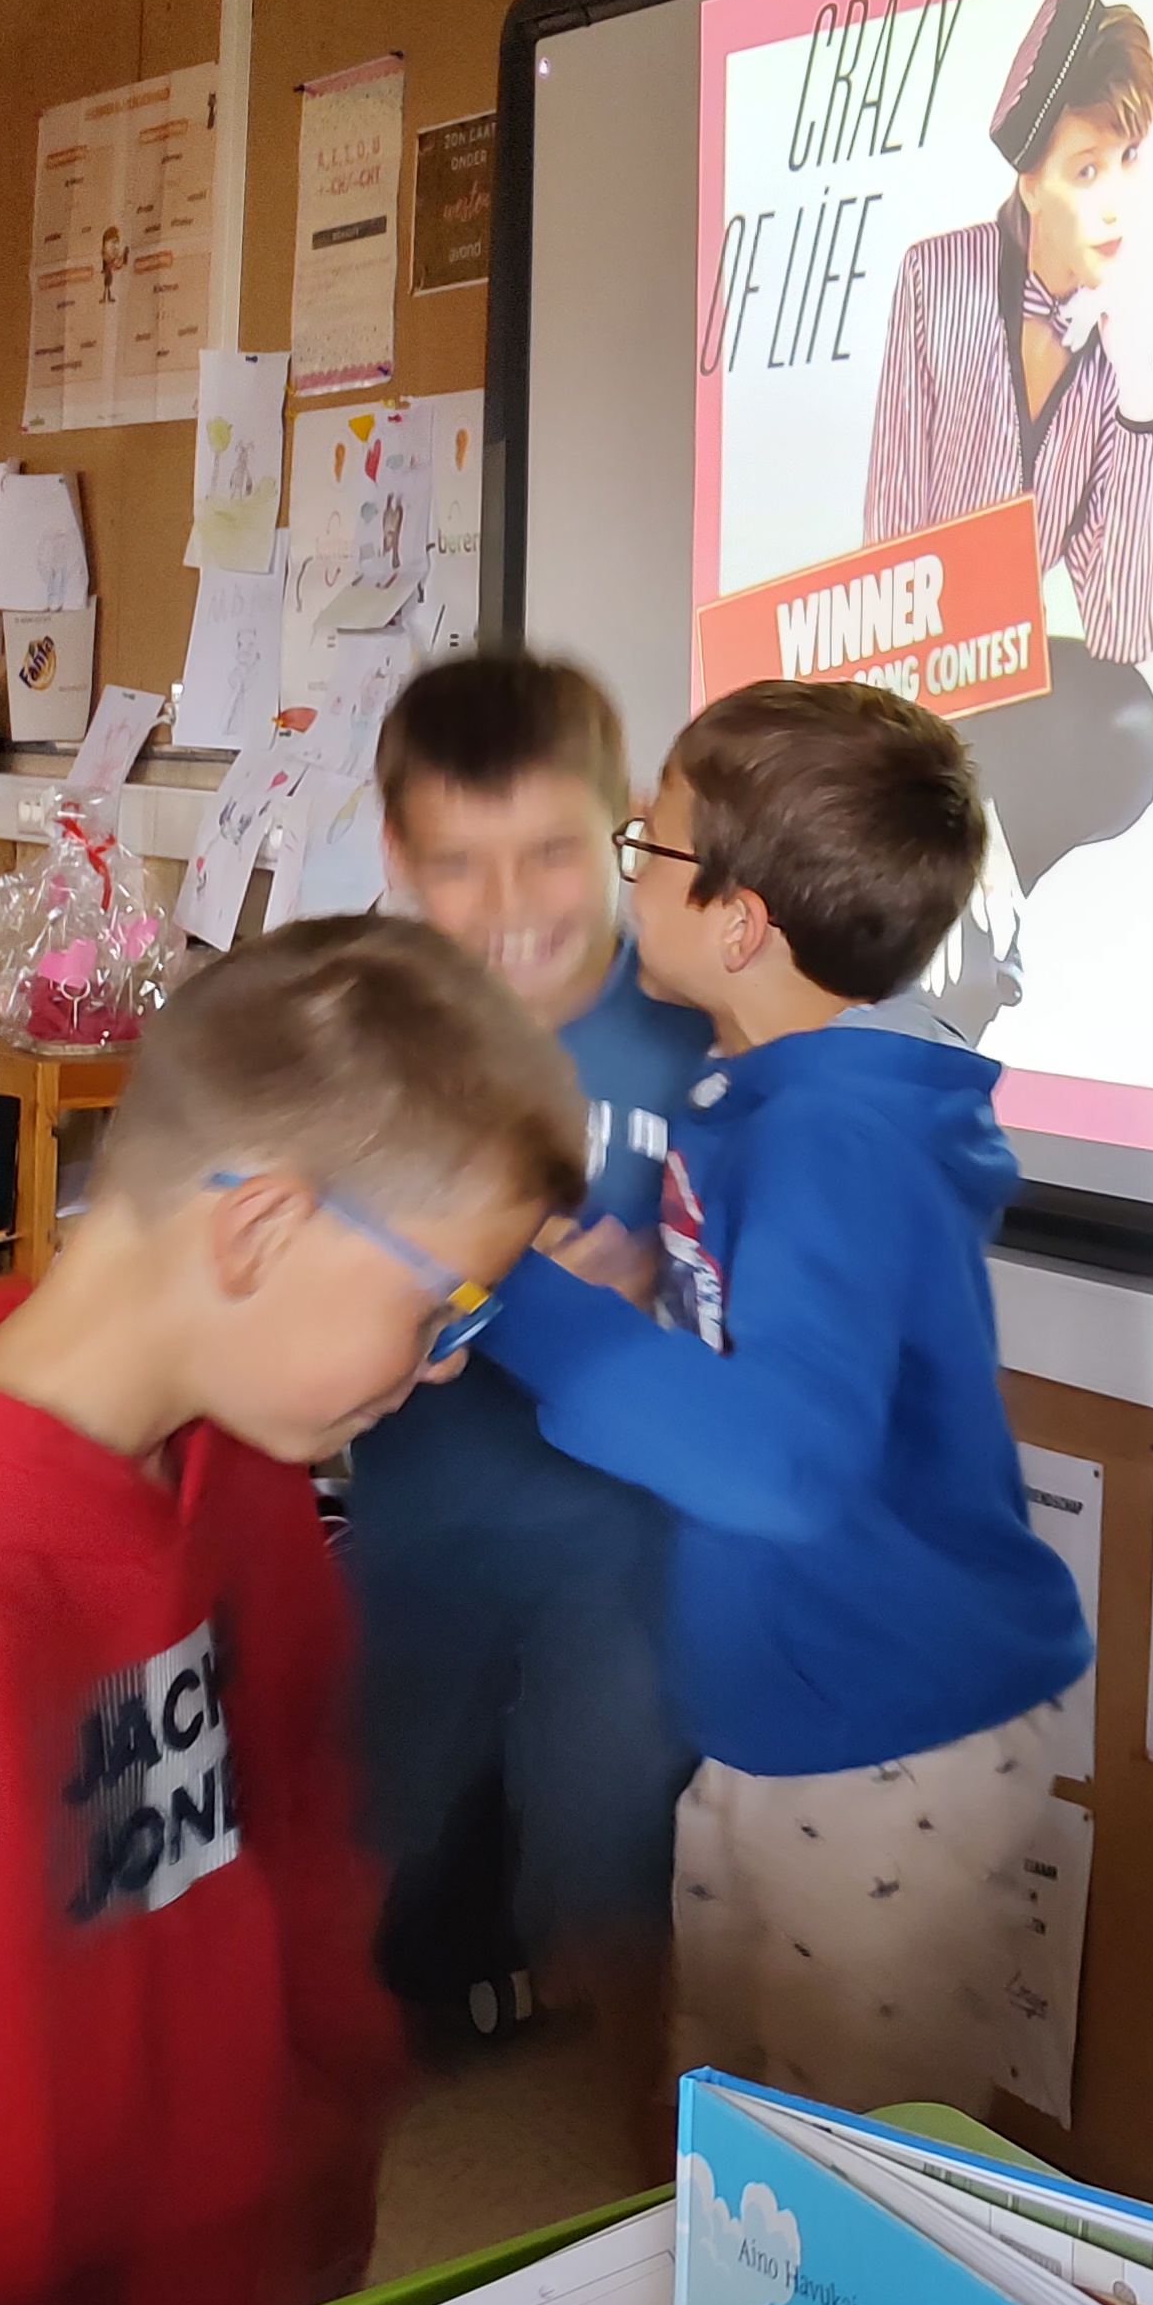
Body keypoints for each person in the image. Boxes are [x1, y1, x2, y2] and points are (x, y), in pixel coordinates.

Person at [0, 920, 585, 2305]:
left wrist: (323, 2148)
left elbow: (300, 1832)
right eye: (443, 1311)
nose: (447, 1367)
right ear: (260, 1228)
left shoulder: (243, 1473)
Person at [481, 679, 1091, 2113]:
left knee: (859, 2171)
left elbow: (782, 1464)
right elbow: (782, 1360)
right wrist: (638, 1294)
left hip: (885, 1743)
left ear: (741, 921)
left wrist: (521, 1303)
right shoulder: (761, 1099)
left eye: (651, 846)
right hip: (774, 1715)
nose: (631, 871)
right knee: (741, 2124)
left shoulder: (832, 1137)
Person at [349, 654, 709, 2113]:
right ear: (397, 853)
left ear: (623, 823)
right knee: (362, 1844)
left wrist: (659, 1301)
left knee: (615, 1881)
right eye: (460, 864)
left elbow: (781, 1305)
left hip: (622, 1554)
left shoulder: (696, 1022)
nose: (511, 907)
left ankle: (659, 2173)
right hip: (416, 1538)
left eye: (552, 852)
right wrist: (401, 1304)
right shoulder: (370, 1029)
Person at [861, 0, 1153, 1034]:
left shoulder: (1134, 367)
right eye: (1087, 168)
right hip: (916, 675)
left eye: (1128, 160)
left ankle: (972, 904)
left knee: (1132, 727)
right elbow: (890, 536)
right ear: (1031, 178)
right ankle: (963, 927)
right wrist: (937, 748)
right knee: (947, 768)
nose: (1115, 199)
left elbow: (1125, 628)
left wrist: (1138, 412)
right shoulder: (937, 281)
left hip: (1018, 692)